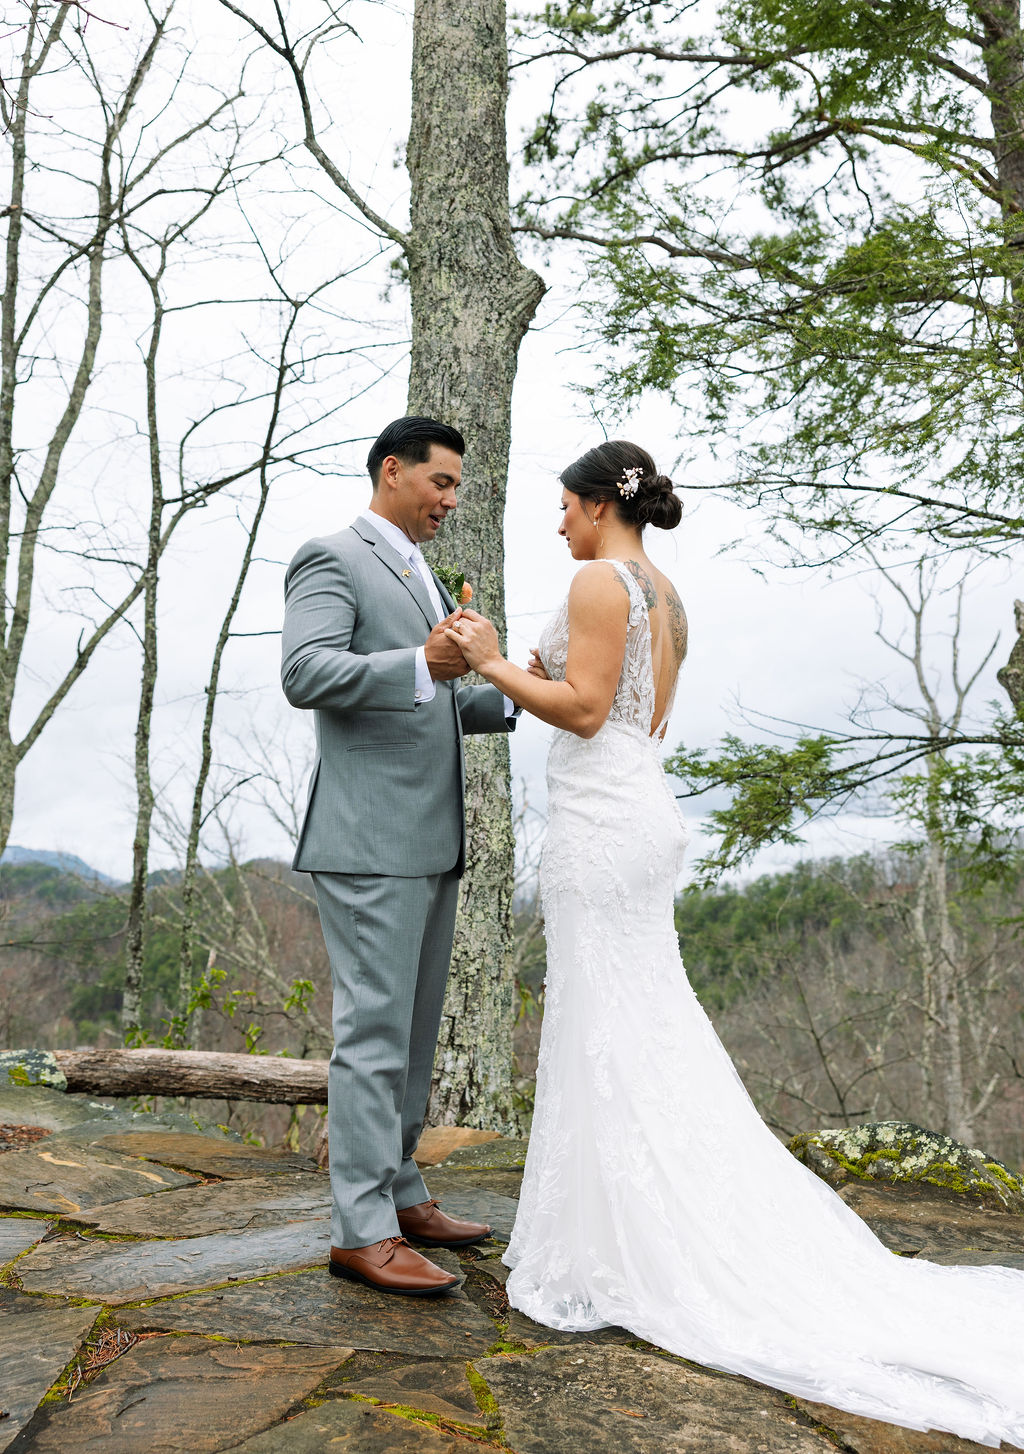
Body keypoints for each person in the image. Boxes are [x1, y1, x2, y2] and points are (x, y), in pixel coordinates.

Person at [446, 439, 1024, 1449]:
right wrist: (522, 662)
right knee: (641, 1022)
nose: (558, 527)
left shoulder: (595, 579)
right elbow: (619, 703)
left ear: (595, 505)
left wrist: (490, 656)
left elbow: (582, 711)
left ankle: (632, 1246)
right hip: (640, 812)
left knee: (607, 1026)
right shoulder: (665, 592)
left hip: (599, 827)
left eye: (564, 509)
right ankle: (632, 1223)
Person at [281, 416, 518, 1297]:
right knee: (373, 1038)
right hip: (369, 839)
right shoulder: (330, 557)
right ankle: (360, 1229)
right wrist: (423, 657)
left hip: (428, 841)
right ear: (392, 471)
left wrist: (509, 681)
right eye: (442, 483)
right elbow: (306, 672)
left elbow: (427, 693)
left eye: (457, 487)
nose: (452, 501)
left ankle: (401, 1191)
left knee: (413, 1038)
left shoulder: (416, 567)